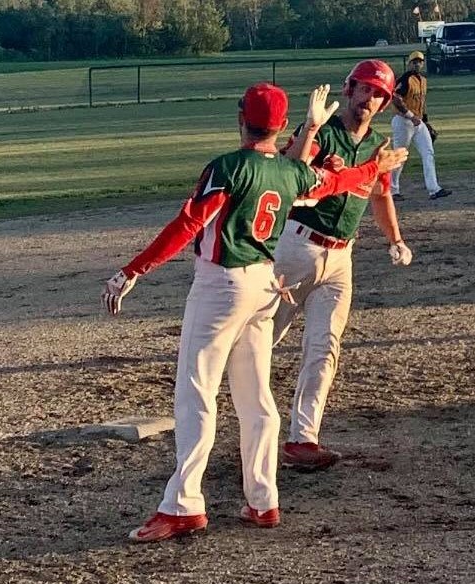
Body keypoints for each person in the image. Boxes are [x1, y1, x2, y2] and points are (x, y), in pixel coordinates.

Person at [101, 82, 408, 543]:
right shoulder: (288, 173)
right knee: (256, 399)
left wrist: (132, 270)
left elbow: (188, 225)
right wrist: (371, 166)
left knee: (196, 396)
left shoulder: (228, 167)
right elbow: (334, 185)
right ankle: (263, 501)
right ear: (282, 126)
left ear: (240, 119)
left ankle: (183, 505)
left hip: (221, 286)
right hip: (264, 287)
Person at [274, 60, 413, 472]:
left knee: (324, 349)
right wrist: (311, 129)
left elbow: (379, 195)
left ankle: (303, 439)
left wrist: (396, 239)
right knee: (261, 339)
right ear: (349, 89)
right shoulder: (324, 130)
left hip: (341, 257)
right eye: (365, 90)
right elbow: (293, 171)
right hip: (296, 248)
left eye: (379, 95)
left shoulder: (377, 145)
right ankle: (208, 406)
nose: (370, 100)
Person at [390, 50, 452, 201]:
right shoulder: (405, 79)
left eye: (420, 61)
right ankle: (392, 190)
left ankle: (434, 189)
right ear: (409, 63)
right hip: (403, 122)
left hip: (418, 122)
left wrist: (426, 121)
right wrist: (411, 116)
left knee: (428, 152)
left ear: (423, 63)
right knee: (400, 156)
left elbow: (421, 104)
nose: (417, 64)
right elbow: (395, 99)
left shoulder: (423, 80)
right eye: (414, 61)